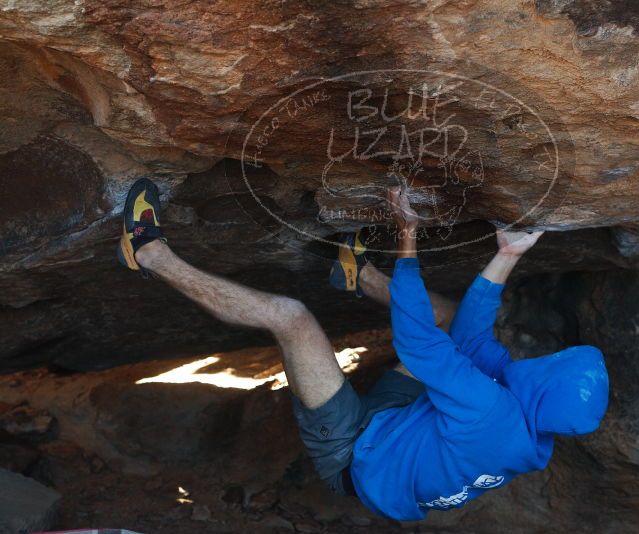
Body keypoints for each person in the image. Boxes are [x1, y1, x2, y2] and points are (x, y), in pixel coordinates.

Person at [117, 178, 609, 521]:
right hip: (405, 426)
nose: (542, 360)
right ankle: (360, 276)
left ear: (548, 378)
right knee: (451, 320)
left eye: (553, 364)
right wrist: (506, 254)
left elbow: (417, 344)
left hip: (354, 455)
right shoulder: (529, 422)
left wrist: (408, 235)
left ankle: (149, 253)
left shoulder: (493, 412)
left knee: (291, 318)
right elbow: (472, 338)